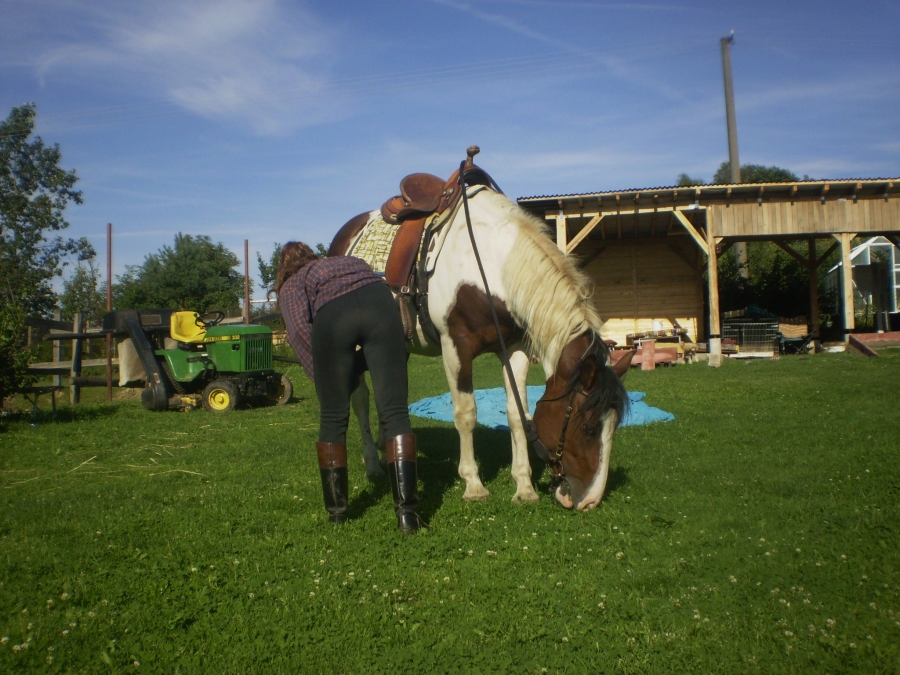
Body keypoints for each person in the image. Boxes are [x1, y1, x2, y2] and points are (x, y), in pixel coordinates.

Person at [275, 242, 424, 533]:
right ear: (312, 256)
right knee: (395, 412)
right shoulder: (346, 262)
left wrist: (328, 377)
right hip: (379, 304)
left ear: (284, 268)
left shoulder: (294, 281)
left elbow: (299, 331)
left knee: (333, 418)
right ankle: (408, 515)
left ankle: (338, 514)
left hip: (334, 316)